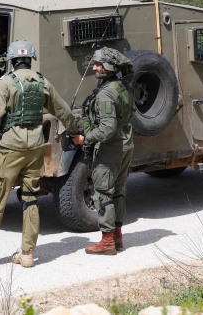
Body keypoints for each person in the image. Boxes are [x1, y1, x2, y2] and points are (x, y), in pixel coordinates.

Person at [0, 40, 79, 268]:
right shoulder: (42, 81)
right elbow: (63, 110)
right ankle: (27, 254)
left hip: (10, 148)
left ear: (12, 60)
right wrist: (75, 130)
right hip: (35, 148)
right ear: (30, 59)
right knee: (30, 198)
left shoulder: (7, 82)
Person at [70, 47, 134, 255]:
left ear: (109, 67)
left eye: (98, 64)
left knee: (103, 192)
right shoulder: (123, 86)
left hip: (110, 148)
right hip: (125, 144)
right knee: (118, 190)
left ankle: (107, 241)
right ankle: (117, 236)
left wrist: (85, 139)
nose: (95, 68)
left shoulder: (106, 94)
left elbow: (107, 128)